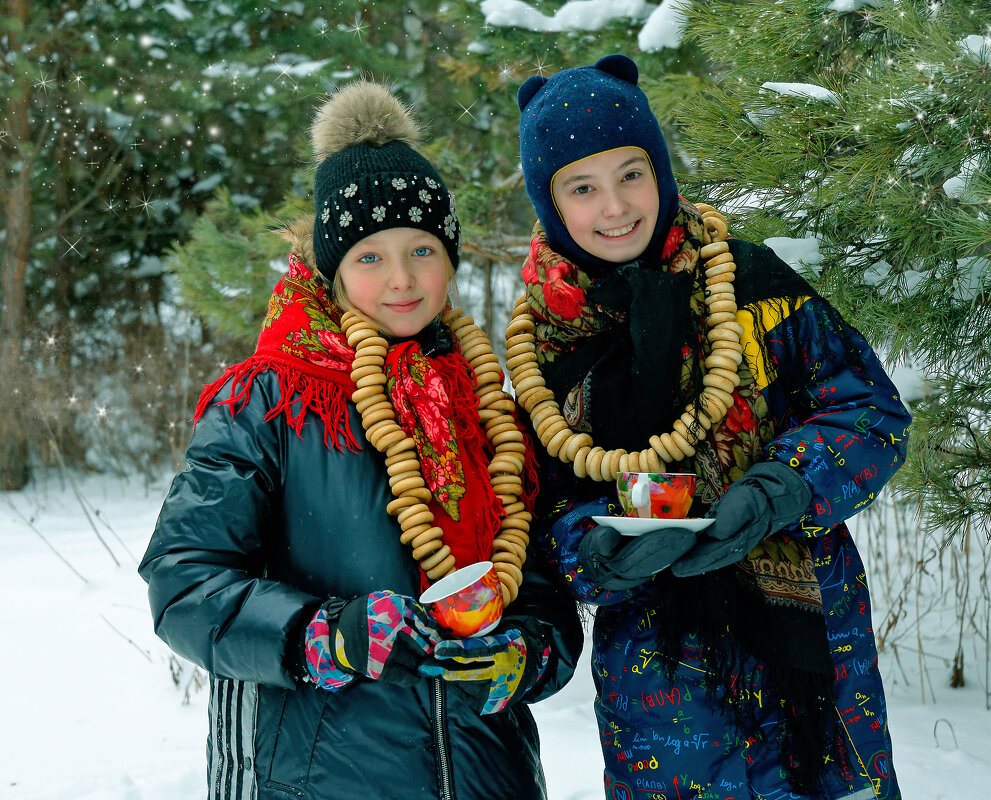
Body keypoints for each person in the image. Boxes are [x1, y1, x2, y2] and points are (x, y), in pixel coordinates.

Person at [139, 81, 582, 800]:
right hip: (318, 777)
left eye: (422, 250)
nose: (403, 279)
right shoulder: (272, 398)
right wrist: (318, 632)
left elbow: (535, 582)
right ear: (333, 267)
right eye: (370, 257)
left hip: (484, 775)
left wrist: (529, 650)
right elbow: (183, 582)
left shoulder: (478, 401)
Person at [508, 54, 909, 800]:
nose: (616, 205)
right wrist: (597, 549)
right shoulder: (544, 351)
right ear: (550, 202)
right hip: (659, 694)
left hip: (816, 663)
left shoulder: (750, 285)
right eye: (582, 187)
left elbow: (873, 415)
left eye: (631, 173)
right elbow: (537, 509)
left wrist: (782, 488)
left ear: (660, 170)